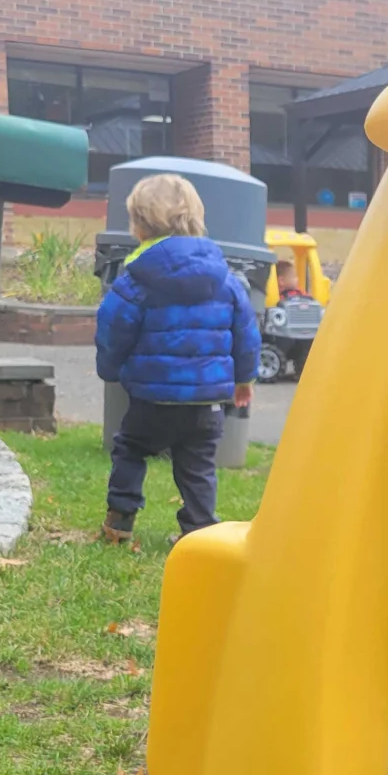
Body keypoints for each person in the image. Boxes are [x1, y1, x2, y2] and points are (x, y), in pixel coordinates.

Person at [95, 174, 261, 541]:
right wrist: (244, 380)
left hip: (153, 398)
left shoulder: (137, 278)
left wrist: (110, 368)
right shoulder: (226, 279)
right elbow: (246, 333)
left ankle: (119, 521)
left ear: (139, 225)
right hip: (206, 402)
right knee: (198, 465)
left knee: (131, 448)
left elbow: (114, 326)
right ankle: (198, 531)